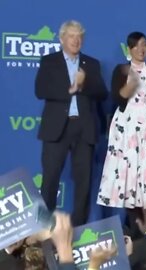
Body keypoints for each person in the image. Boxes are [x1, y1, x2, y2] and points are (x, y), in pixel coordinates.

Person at [97, 32, 146, 225]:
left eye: (145, 45)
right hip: (128, 127)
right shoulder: (121, 70)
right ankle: (133, 222)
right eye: (138, 46)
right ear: (130, 49)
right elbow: (117, 96)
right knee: (128, 172)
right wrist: (129, 87)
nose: (142, 49)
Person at [35, 20, 108, 226]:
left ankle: (79, 229)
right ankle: (43, 228)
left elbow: (102, 93)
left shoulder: (91, 64)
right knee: (49, 180)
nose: (76, 40)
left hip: (83, 128)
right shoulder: (49, 61)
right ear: (62, 39)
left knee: (83, 182)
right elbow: (40, 90)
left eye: (79, 37)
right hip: (57, 128)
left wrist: (85, 85)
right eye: (71, 36)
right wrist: (69, 90)